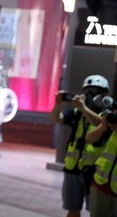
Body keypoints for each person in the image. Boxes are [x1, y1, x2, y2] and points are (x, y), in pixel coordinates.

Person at [50, 75, 108, 217]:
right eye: (87, 91)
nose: (90, 95)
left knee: (95, 212)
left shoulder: (107, 114)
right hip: (72, 169)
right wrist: (58, 104)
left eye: (94, 91)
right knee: (72, 208)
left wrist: (83, 108)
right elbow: (56, 118)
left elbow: (102, 124)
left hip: (94, 172)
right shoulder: (77, 113)